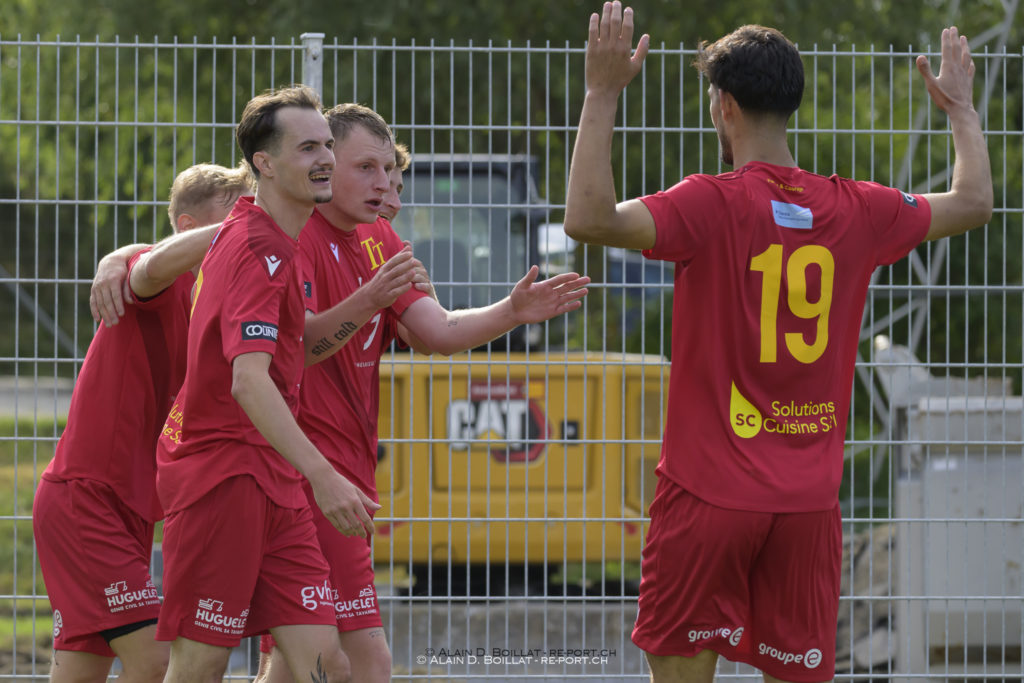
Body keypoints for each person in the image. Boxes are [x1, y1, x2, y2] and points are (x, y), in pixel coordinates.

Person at [563, 4, 992, 683]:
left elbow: (587, 217)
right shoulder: (858, 208)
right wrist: (961, 109)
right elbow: (972, 202)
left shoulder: (709, 203)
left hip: (706, 497)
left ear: (725, 106)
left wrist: (602, 91)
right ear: (791, 105)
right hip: (806, 507)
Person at [255, 103, 590, 683]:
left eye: (390, 171)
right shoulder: (293, 234)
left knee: (292, 662)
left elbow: (437, 331)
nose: (383, 185)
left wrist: (512, 310)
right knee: (362, 662)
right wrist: (123, 263)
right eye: (366, 167)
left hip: (345, 474)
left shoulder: (380, 237)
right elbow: (298, 348)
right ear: (325, 164)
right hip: (303, 473)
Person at [152, 85, 393, 683]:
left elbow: (291, 348)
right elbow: (249, 382)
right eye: (307, 148)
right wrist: (324, 475)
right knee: (201, 665)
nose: (325, 159)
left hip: (276, 480)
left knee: (329, 665)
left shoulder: (272, 236)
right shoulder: (256, 245)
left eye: (328, 146)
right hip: (224, 477)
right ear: (263, 163)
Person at [32, 162, 252, 683]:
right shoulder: (161, 280)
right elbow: (148, 262)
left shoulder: (218, 299)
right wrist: (120, 256)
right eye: (236, 213)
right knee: (155, 661)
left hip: (126, 506)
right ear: (185, 227)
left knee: (80, 671)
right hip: (86, 499)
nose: (248, 223)